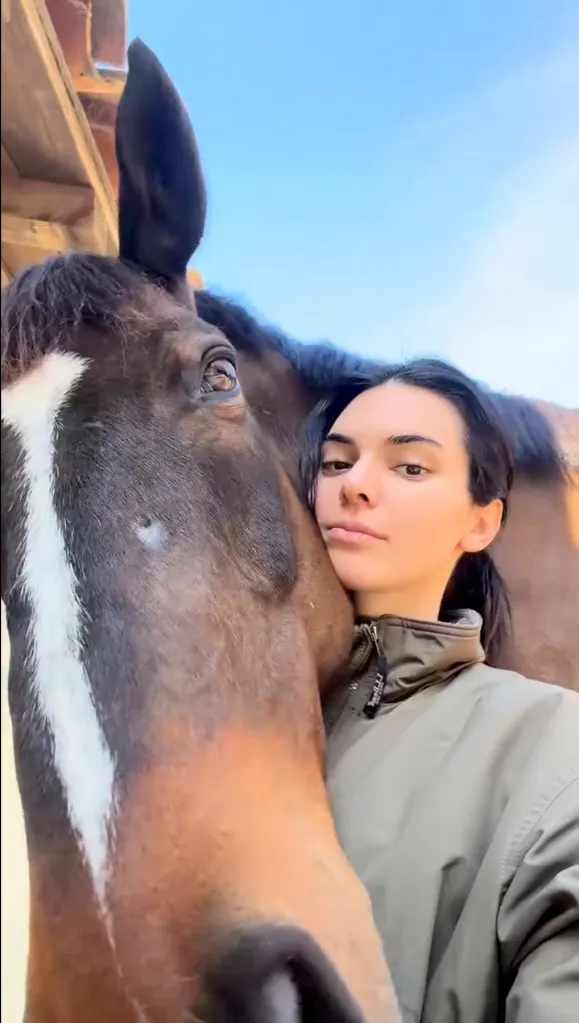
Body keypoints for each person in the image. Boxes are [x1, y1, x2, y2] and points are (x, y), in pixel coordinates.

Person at [300, 358, 579, 1023]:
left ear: (480, 523)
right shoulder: (226, 721)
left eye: (410, 467)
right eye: (336, 464)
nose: (355, 485)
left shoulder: (550, 743)